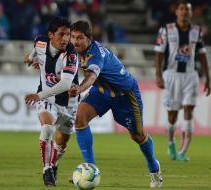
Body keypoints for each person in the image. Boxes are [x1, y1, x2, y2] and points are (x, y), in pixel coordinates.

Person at [69, 20, 163, 188]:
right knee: (80, 119)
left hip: (125, 96)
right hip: (102, 92)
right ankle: (90, 169)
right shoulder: (75, 49)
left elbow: (91, 77)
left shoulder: (96, 54)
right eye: (73, 37)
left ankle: (154, 169)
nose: (76, 41)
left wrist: (80, 89)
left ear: (89, 38)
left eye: (80, 38)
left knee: (138, 136)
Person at [24, 17, 79, 187]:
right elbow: (35, 48)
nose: (65, 39)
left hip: (69, 104)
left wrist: (37, 96)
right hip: (48, 98)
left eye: (68, 35)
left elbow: (64, 84)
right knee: (47, 127)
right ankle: (47, 169)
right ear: (50, 35)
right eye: (61, 34)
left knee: (61, 143)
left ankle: (54, 163)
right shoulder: (40, 41)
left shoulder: (71, 54)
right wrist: (31, 57)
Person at [154, 0, 210, 162]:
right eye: (182, 9)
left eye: (187, 9)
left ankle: (183, 152)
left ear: (191, 13)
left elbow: (202, 54)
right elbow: (158, 53)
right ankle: (171, 142)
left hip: (191, 76)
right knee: (172, 116)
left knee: (188, 112)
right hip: (171, 75)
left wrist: (208, 77)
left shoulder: (197, 31)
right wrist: (158, 75)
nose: (184, 12)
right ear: (176, 12)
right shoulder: (166, 30)